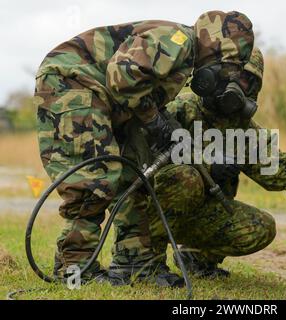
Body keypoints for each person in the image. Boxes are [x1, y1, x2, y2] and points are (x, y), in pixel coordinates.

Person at [34, 10, 255, 286]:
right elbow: (122, 77)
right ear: (215, 46)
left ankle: (136, 264)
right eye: (225, 67)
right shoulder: (179, 42)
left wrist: (166, 124)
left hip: (107, 98)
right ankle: (74, 270)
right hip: (74, 84)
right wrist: (154, 121)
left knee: (134, 177)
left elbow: (139, 90)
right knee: (94, 180)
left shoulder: (185, 58)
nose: (222, 77)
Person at [113, 48, 286, 283]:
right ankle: (146, 262)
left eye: (245, 82)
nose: (236, 86)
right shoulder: (182, 109)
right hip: (154, 211)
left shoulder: (246, 133)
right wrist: (209, 167)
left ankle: (196, 258)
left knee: (261, 228)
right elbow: (134, 160)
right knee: (186, 177)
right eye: (233, 77)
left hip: (198, 216)